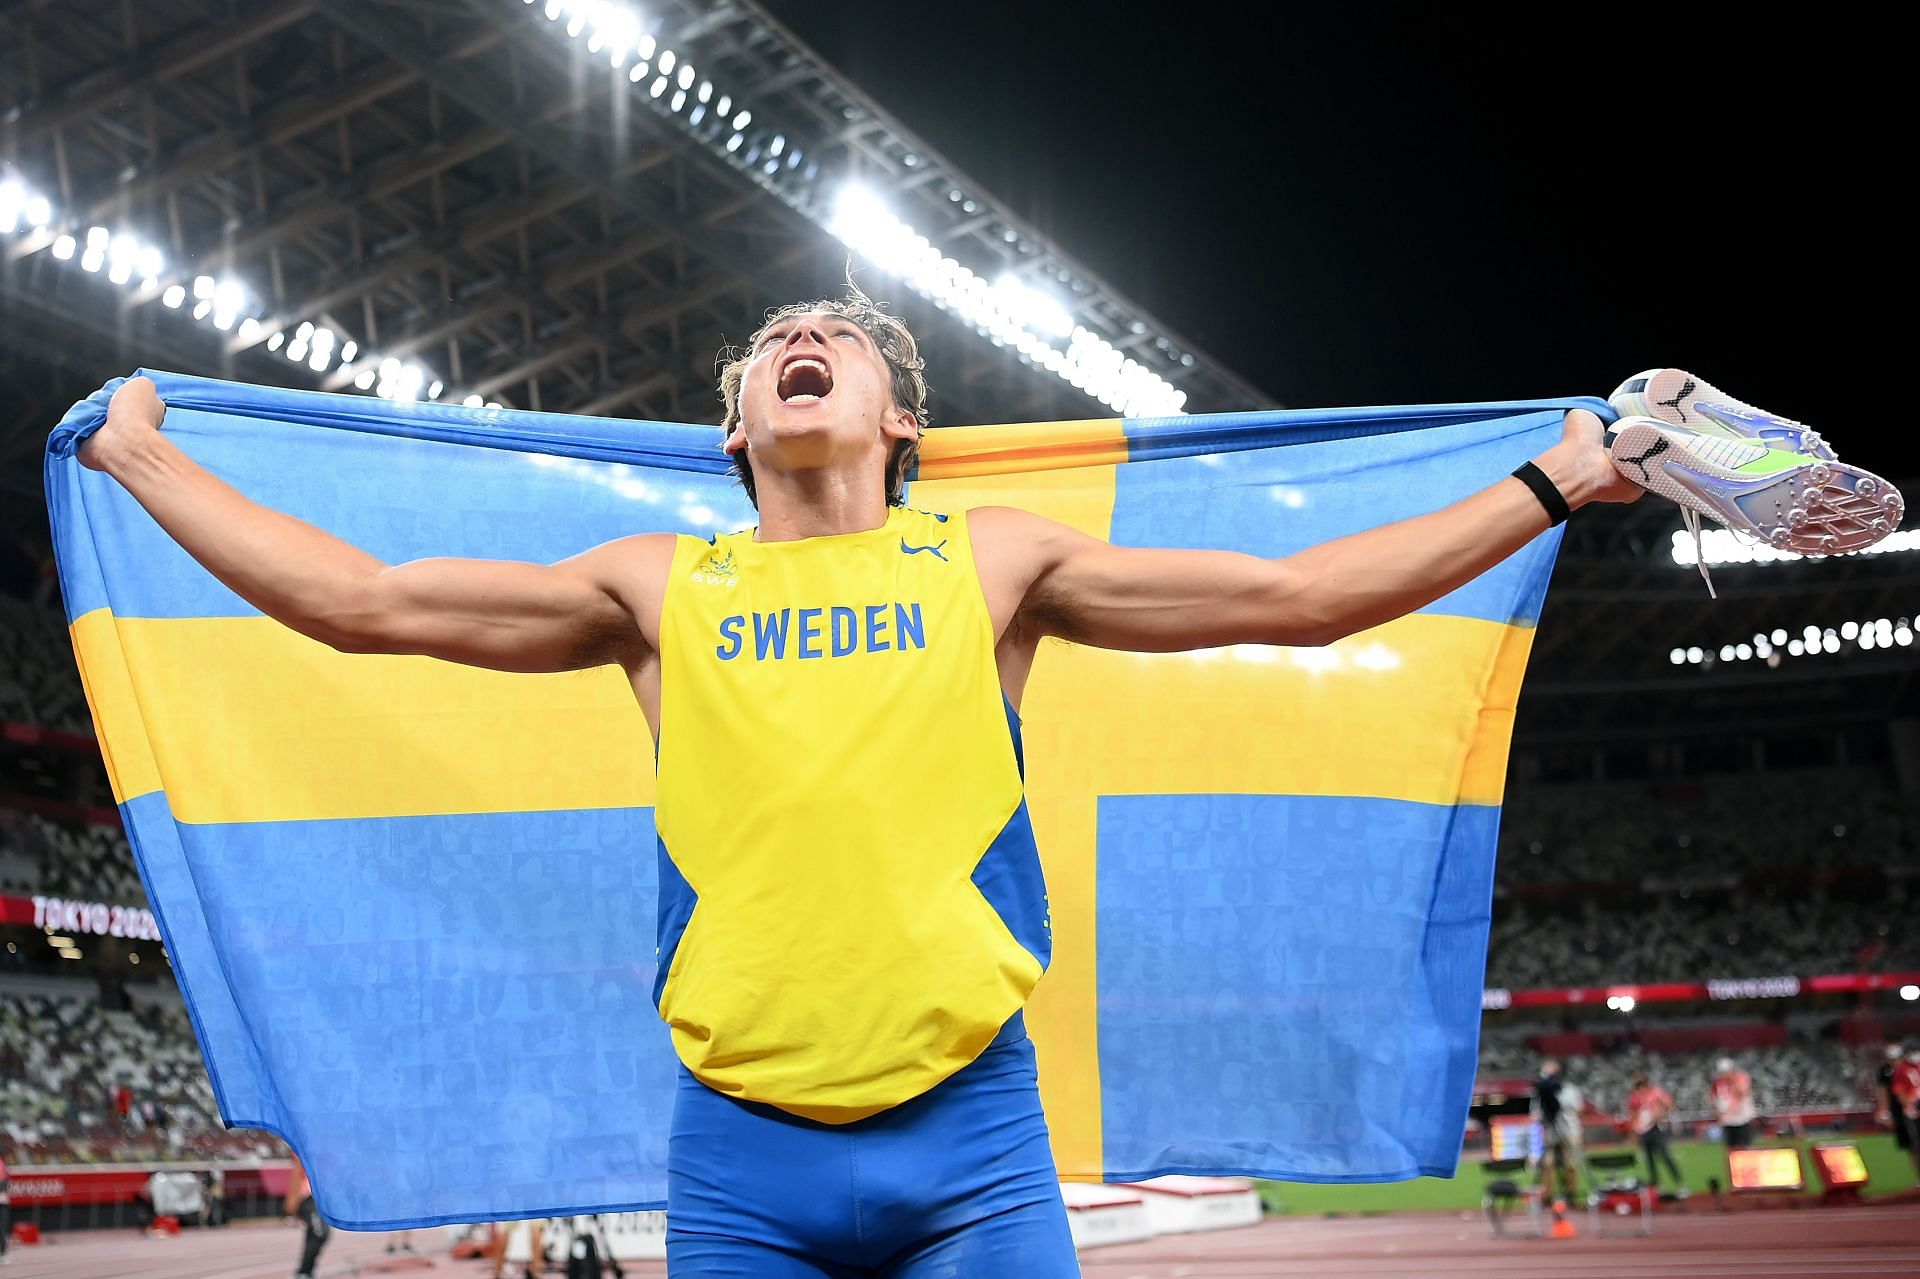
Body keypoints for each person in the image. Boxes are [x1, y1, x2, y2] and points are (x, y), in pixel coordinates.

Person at [81, 288, 1646, 1276]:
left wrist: (1549, 480)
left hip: (971, 1148)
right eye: (773, 341)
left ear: (903, 420)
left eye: (839, 335)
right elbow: (363, 602)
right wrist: (145, 457)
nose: (800, 338)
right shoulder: (654, 580)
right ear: (740, 419)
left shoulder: (994, 556)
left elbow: (1304, 597)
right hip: (740, 1154)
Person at [1531, 1058, 1583, 1211]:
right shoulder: (1540, 1092)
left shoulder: (1569, 1090)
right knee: (1547, 1164)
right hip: (1549, 1129)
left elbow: (1578, 1109)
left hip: (1568, 1129)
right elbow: (1536, 1112)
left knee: (1570, 1163)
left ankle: (1571, 1194)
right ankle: (1547, 1195)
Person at [1624, 1071, 1685, 1194]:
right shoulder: (1634, 1096)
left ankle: (1679, 1184)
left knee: (1664, 1156)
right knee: (1650, 1159)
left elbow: (1669, 1103)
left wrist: (1662, 1115)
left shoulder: (1655, 1092)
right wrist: (1634, 1129)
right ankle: (1656, 1187)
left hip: (1655, 1127)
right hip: (1643, 1129)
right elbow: (1631, 1112)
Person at [285, 1155, 331, 1279]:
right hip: (307, 1197)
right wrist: (292, 1198)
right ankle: (304, 1272)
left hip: (320, 1197)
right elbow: (296, 1171)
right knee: (319, 1232)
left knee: (314, 1233)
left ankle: (305, 1272)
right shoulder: (304, 1146)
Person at [1711, 1056, 1756, 1149]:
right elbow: (1712, 1096)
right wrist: (1717, 1107)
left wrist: (1732, 1082)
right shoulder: (1718, 1082)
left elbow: (1741, 1094)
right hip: (1727, 1120)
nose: (1724, 1075)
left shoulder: (1741, 1077)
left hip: (1742, 1118)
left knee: (1745, 1147)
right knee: (1731, 1149)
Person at [1893, 1044, 1920, 1176]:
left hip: (1914, 1107)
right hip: (1913, 1109)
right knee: (1916, 1144)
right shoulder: (1902, 1070)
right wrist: (1908, 1106)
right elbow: (1900, 1092)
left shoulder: (1914, 1068)